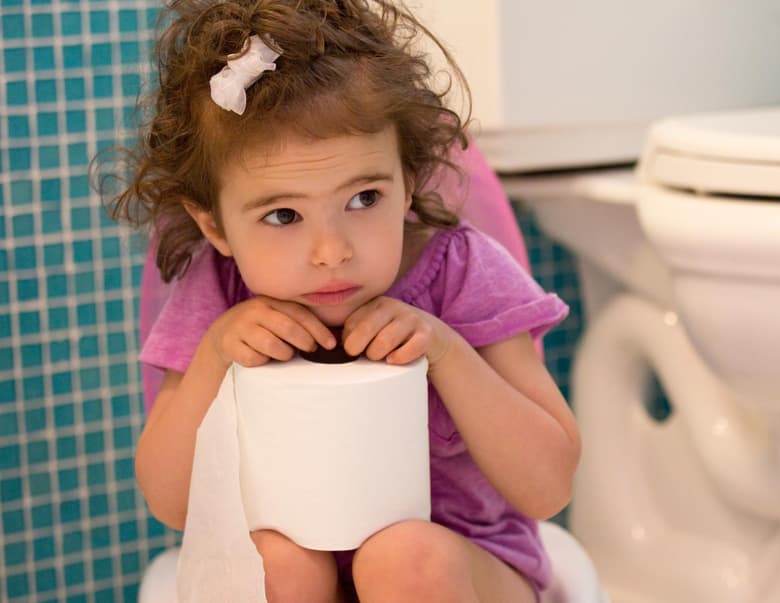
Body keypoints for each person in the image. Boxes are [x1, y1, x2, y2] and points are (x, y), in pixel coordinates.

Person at [105, 1, 580, 601]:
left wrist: (448, 354)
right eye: (283, 215)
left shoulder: (463, 272)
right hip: (303, 570)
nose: (331, 251)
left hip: (462, 570)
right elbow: (172, 505)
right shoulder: (218, 292)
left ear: (408, 183)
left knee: (404, 560)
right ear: (216, 227)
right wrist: (214, 358)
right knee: (272, 565)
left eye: (362, 199)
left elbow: (550, 487)